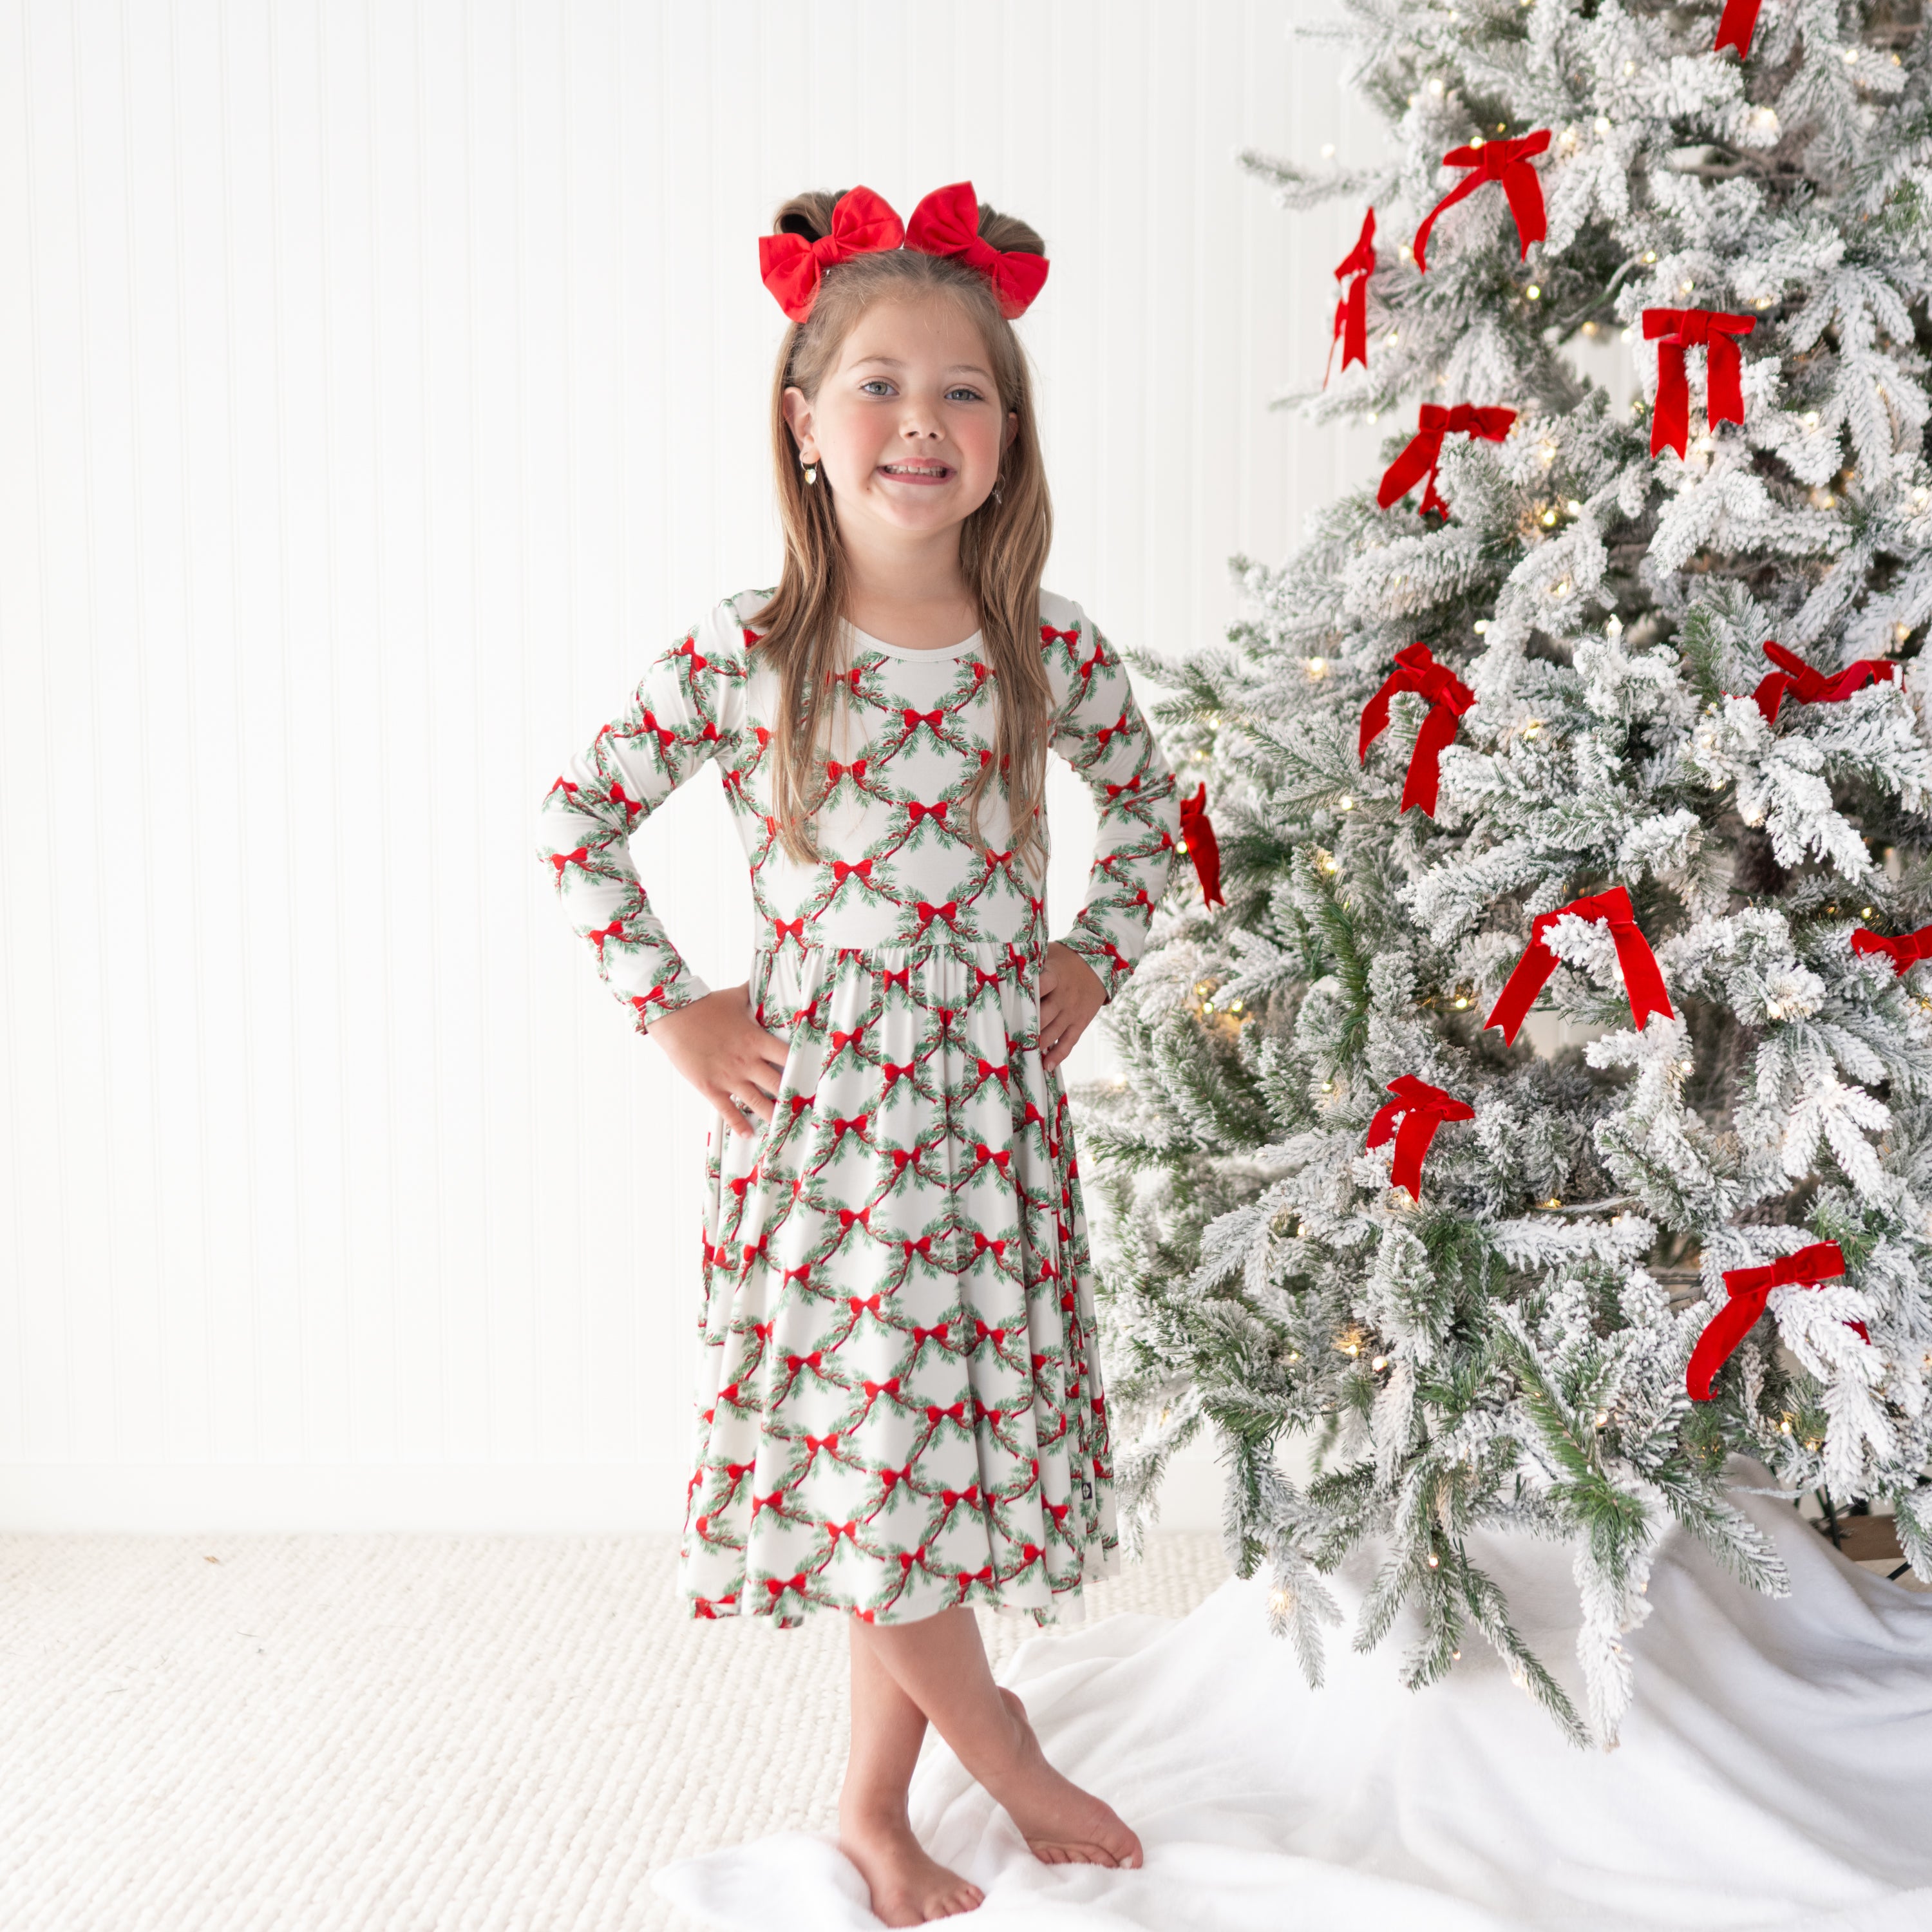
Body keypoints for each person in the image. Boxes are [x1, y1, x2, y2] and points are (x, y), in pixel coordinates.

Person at [535, 180, 1179, 1926]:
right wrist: (676, 1006)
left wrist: (1089, 958)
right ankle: (1004, 1748)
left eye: (964, 390)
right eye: (879, 385)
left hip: (985, 1126)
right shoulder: (754, 650)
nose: (922, 421)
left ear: (1010, 437)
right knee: (870, 1466)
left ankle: (871, 1815)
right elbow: (580, 816)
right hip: (827, 1132)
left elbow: (1159, 830)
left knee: (931, 1479)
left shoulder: (1048, 649)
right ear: (806, 426)